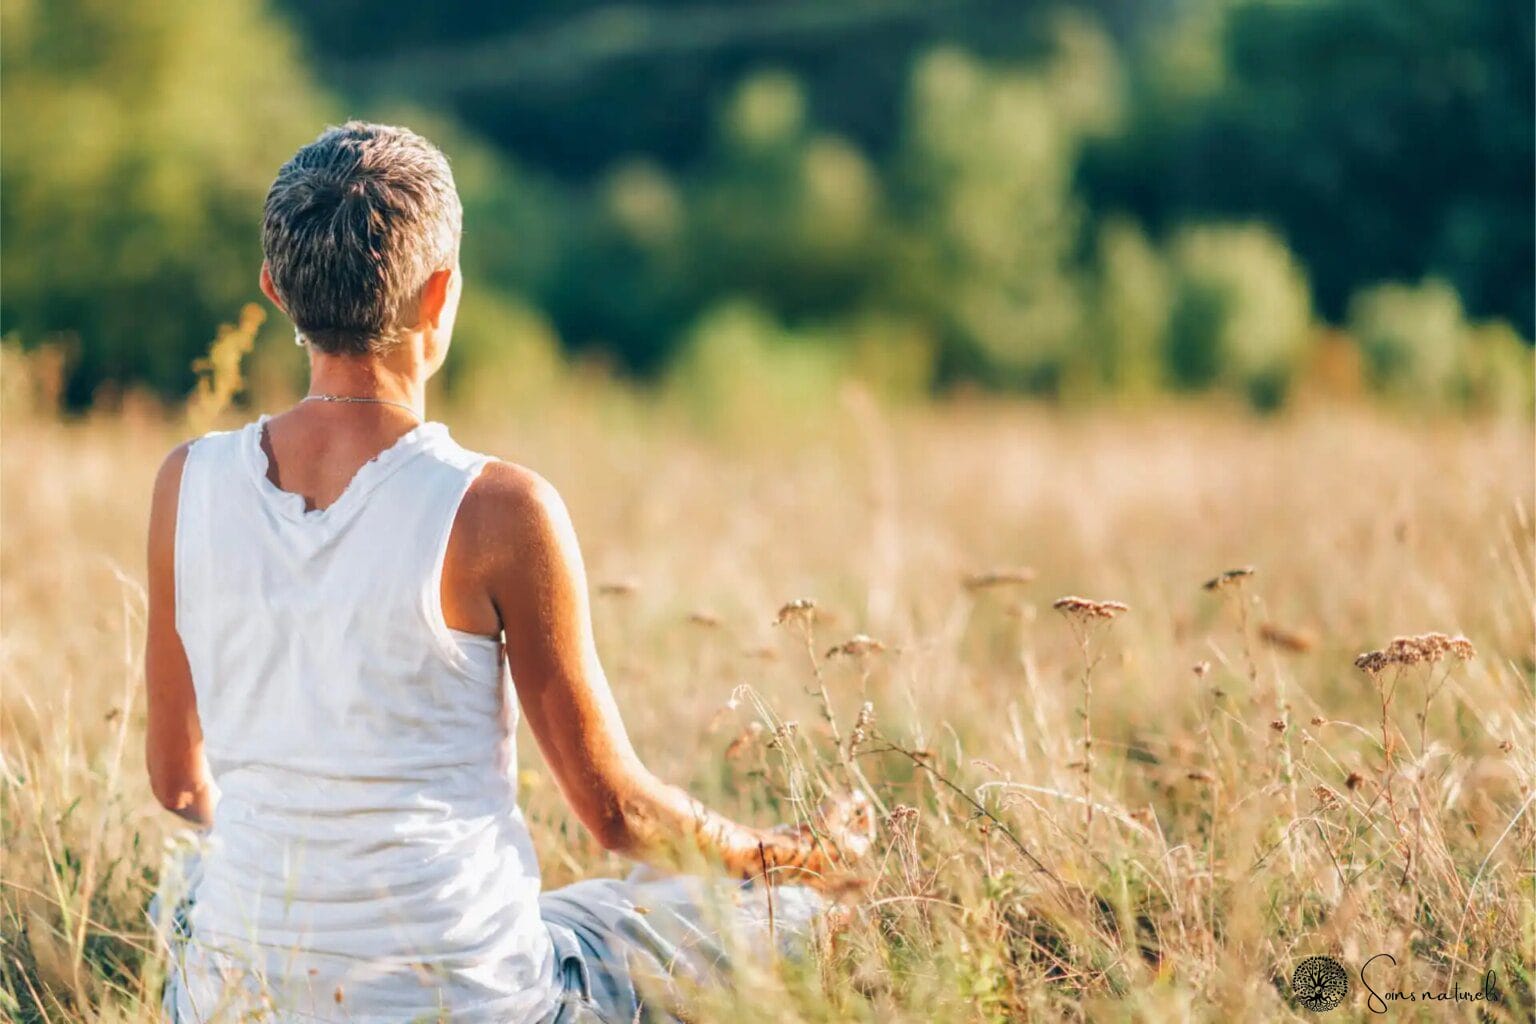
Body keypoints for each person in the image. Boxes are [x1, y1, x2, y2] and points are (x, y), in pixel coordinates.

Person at [144, 121, 871, 1023]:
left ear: (275, 290)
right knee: (787, 917)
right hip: (477, 1005)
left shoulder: (189, 484)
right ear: (440, 293)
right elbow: (618, 819)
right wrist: (799, 854)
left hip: (239, 1003)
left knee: (183, 891)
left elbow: (178, 783)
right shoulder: (497, 508)